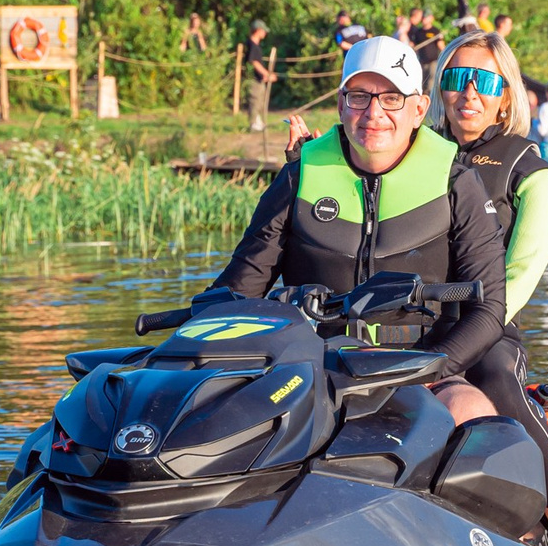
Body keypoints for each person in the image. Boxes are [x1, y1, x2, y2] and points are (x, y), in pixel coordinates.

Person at [211, 34, 520, 453]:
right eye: (359, 96)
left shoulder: (458, 184)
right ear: (341, 104)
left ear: (418, 109)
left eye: (391, 98)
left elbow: (489, 310)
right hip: (314, 371)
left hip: (424, 367)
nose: (373, 113)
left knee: (474, 417)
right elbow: (236, 293)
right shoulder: (297, 179)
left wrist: (427, 370)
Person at [430, 32, 548, 546]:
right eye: (456, 79)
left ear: (506, 95)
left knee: (495, 376)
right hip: (420, 320)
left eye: (483, 81)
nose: (468, 94)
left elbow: (523, 270)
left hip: (491, 322)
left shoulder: (530, 170)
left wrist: (483, 321)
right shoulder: (416, 153)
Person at [243, 19, 276, 132]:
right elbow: (254, 62)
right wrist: (267, 74)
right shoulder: (252, 45)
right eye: (263, 30)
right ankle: (253, 124)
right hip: (253, 79)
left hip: (259, 78)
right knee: (255, 100)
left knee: (260, 102)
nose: (265, 33)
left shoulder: (255, 45)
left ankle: (258, 122)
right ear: (258, 30)